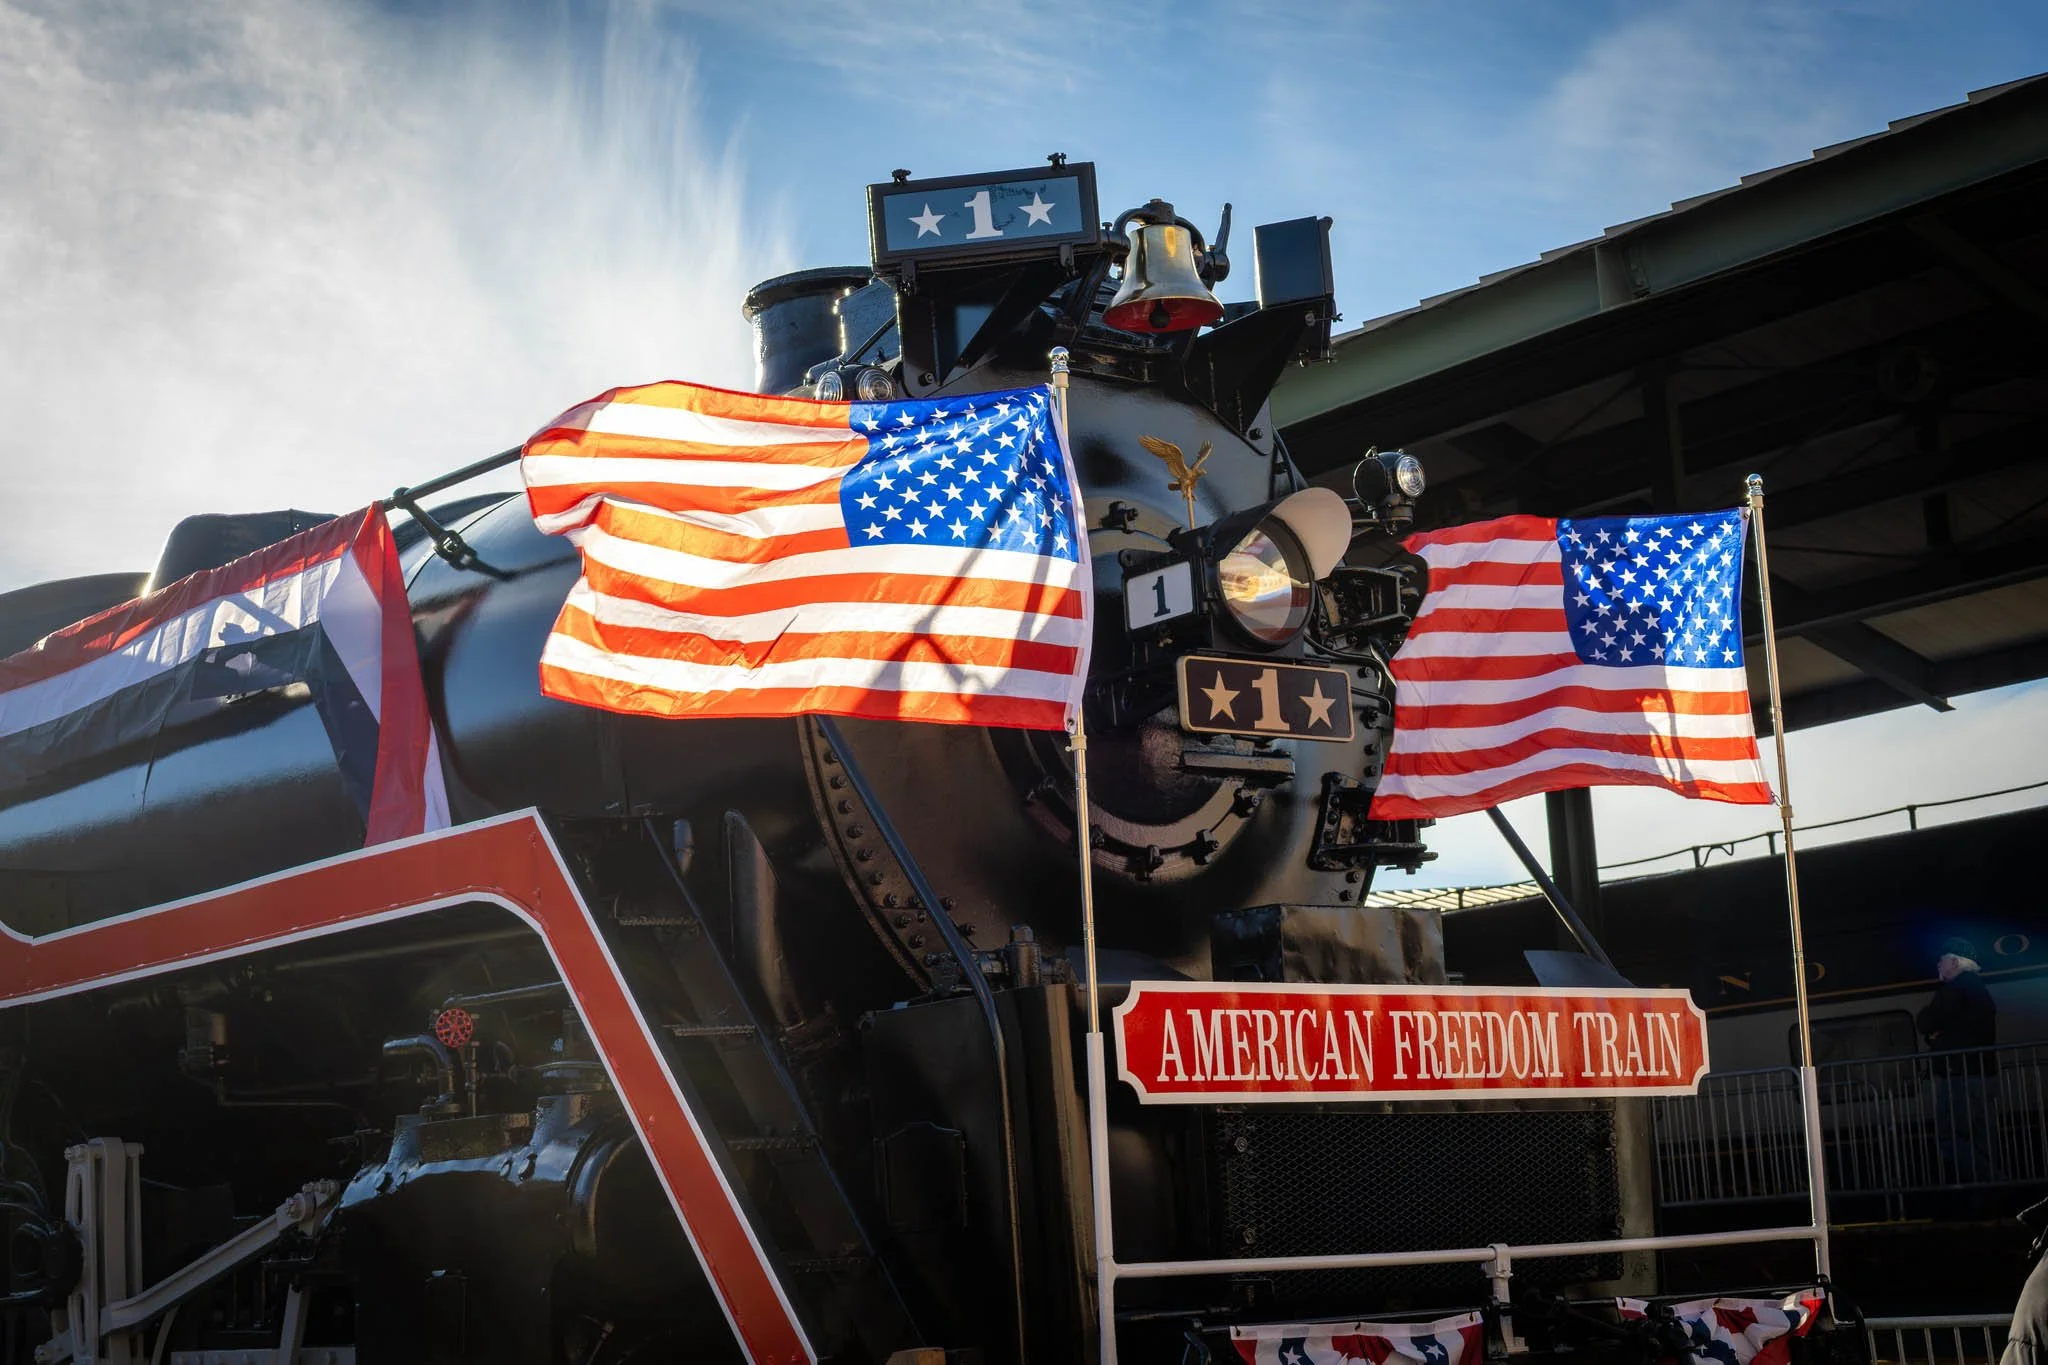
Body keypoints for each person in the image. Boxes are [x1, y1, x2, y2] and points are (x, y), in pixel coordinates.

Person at [1917, 936, 1999, 1185]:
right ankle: (1994, 1194)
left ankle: (1994, 1180)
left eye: (1941, 961)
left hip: (1959, 1074)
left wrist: (1936, 1037)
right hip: (1983, 1072)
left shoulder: (1953, 990)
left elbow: (1925, 1022)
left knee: (1950, 1137)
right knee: (1981, 1137)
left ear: (1953, 962)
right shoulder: (1978, 989)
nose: (1938, 966)